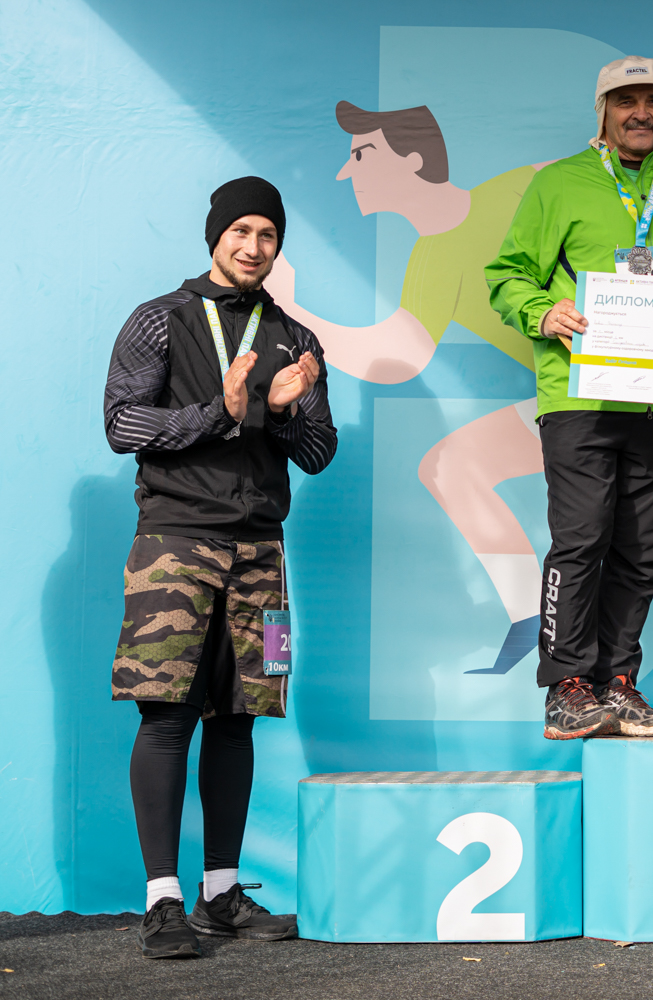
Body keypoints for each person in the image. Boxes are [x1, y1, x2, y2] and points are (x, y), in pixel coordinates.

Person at [103, 176, 338, 958]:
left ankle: (222, 893)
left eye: (267, 234)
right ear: (216, 236)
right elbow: (122, 424)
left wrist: (282, 409)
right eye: (241, 230)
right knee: (167, 714)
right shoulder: (160, 319)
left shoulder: (296, 338)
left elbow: (318, 452)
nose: (253, 246)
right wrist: (222, 411)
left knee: (239, 718)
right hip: (174, 541)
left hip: (261, 552)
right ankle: (162, 901)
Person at [265, 102, 548, 672]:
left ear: (415, 158)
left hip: (622, 388)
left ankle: (536, 619)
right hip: (571, 397)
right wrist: (292, 310)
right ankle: (533, 619)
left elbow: (577, 187)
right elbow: (398, 356)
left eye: (362, 154)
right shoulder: (431, 254)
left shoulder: (518, 188)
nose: (346, 171)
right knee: (451, 465)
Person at [485, 56, 653, 739]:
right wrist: (543, 312)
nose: (640, 113)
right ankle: (567, 687)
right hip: (580, 395)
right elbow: (507, 274)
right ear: (603, 112)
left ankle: (618, 684)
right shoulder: (559, 183)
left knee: (642, 553)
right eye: (625, 101)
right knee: (582, 540)